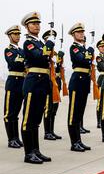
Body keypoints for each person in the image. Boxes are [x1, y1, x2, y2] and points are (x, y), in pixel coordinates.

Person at [21, 11, 55, 164]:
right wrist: (49, 43)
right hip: (33, 82)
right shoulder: (28, 43)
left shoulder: (40, 43)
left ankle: (36, 150)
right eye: (33, 23)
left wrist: (46, 45)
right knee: (28, 119)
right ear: (27, 26)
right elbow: (40, 56)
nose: (37, 25)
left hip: (42, 83)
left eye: (38, 23)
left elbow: (46, 57)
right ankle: (28, 153)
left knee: (36, 120)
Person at [67, 23, 93, 152]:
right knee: (73, 113)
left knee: (79, 113)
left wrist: (88, 53)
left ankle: (79, 141)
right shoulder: (74, 48)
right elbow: (83, 60)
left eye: (82, 32)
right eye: (78, 32)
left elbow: (87, 60)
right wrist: (89, 53)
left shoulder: (83, 48)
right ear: (73, 34)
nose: (81, 34)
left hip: (84, 82)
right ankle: (74, 142)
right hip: (77, 81)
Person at [4, 25, 25, 149]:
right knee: (9, 113)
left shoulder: (21, 50)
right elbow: (14, 62)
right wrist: (23, 59)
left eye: (18, 34)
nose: (17, 36)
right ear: (10, 36)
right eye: (15, 34)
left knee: (16, 112)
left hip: (22, 81)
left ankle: (16, 138)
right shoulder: (9, 50)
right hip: (13, 82)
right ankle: (11, 139)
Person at [41, 30, 63, 141]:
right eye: (50, 38)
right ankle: (47, 132)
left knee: (54, 108)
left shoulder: (55, 54)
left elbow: (58, 70)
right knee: (48, 108)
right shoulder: (44, 50)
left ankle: (51, 131)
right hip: (48, 81)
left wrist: (59, 61)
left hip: (56, 82)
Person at [95, 39, 104, 129]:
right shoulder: (99, 57)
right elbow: (103, 67)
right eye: (101, 47)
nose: (103, 48)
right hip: (102, 79)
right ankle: (99, 121)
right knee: (100, 102)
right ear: (98, 48)